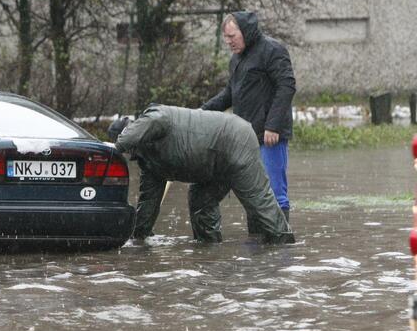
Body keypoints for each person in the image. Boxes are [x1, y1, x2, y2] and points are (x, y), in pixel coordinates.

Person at [115, 104, 294, 244]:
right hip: (208, 166)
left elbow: (137, 131)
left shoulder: (155, 118)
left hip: (235, 138)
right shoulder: (148, 162)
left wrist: (114, 148)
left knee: (258, 201)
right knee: (200, 201)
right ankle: (209, 248)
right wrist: (137, 238)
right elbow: (148, 203)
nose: (129, 154)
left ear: (135, 132)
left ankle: (285, 246)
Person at [202, 11, 296, 230]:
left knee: (274, 193)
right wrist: (201, 112)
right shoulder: (236, 59)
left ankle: (279, 246)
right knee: (253, 193)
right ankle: (258, 248)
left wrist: (272, 126)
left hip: (271, 136)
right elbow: (229, 94)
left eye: (232, 36)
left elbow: (287, 86)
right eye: (225, 37)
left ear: (246, 32)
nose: (228, 42)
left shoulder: (273, 50)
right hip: (245, 137)